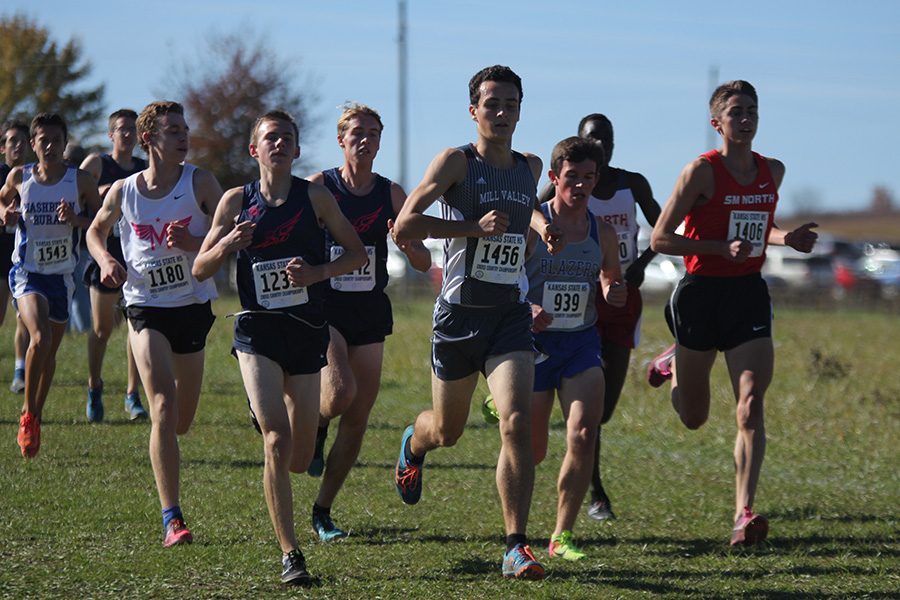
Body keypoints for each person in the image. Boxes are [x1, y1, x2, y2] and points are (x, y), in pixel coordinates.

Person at [392, 64, 563, 580]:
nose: (503, 112)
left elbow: (526, 206)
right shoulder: (455, 163)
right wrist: (472, 226)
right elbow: (405, 225)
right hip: (458, 317)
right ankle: (413, 445)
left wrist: (542, 224)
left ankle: (516, 546)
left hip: (508, 316)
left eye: (511, 104)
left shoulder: (528, 165)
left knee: (516, 422)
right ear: (474, 111)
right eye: (493, 104)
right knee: (448, 430)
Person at [194, 110, 366, 584]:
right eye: (271, 138)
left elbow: (356, 254)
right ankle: (291, 554)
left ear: (296, 149)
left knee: (296, 454)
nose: (279, 144)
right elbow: (200, 269)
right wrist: (228, 240)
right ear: (255, 150)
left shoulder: (315, 198)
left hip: (306, 332)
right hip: (257, 333)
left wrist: (316, 274)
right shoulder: (236, 201)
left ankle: (273, 419)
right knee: (275, 440)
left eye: (287, 138)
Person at [648, 80, 818, 545]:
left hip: (747, 294)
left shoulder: (772, 171)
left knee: (750, 405)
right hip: (700, 295)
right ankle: (673, 366)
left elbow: (764, 228)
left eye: (752, 111)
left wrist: (789, 239)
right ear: (716, 122)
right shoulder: (700, 173)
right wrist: (720, 246)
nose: (746, 119)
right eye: (737, 112)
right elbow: (659, 239)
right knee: (694, 417)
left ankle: (744, 512)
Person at [87, 101, 221, 546]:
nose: (183, 137)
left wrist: (194, 242)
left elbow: (231, 234)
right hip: (144, 306)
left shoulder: (200, 181)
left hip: (191, 306)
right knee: (162, 407)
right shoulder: (123, 191)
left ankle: (171, 493)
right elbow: (95, 230)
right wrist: (106, 257)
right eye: (172, 131)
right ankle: (172, 518)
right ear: (149, 140)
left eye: (185, 129)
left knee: (181, 421)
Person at [304, 103, 430, 541]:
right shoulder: (321, 186)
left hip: (370, 308)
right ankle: (317, 426)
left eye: (373, 132)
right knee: (339, 393)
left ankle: (323, 510)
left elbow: (422, 259)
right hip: (326, 305)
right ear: (341, 140)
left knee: (358, 417)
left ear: (380, 141)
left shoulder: (391, 193)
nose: (365, 139)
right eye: (356, 132)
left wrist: (405, 242)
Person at [539, 114, 662, 521]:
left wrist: (642, 262)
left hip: (620, 293)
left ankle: (586, 469)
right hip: (572, 292)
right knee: (583, 416)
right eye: (593, 139)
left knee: (603, 409)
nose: (602, 146)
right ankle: (596, 492)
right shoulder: (569, 181)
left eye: (607, 139)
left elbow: (664, 225)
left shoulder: (633, 184)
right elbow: (533, 212)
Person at [527, 137, 627, 561]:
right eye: (572, 178)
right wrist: (526, 306)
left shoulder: (601, 232)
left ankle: (561, 535)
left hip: (582, 343)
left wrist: (613, 289)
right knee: (532, 450)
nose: (580, 186)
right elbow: (505, 278)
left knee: (584, 433)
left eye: (589, 178)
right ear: (554, 178)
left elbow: (610, 275)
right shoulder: (533, 225)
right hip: (532, 345)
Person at [0, 113, 101, 458]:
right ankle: (27, 413)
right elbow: (2, 200)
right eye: (43, 140)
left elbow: (102, 221)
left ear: (63, 143)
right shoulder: (20, 176)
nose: (50, 146)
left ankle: (37, 414)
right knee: (39, 337)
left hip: (63, 275)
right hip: (27, 272)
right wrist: (7, 215)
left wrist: (77, 220)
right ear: (34, 144)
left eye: (57, 140)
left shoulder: (80, 181)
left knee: (49, 352)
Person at [80, 109, 147, 422]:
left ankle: (133, 395)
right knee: (102, 329)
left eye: (132, 129)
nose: (128, 135)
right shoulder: (97, 164)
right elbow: (76, 191)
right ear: (110, 134)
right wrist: (102, 193)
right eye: (121, 129)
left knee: (137, 327)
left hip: (136, 257)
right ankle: (95, 385)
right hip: (104, 255)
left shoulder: (145, 169)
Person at [0, 120, 30, 394]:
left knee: (23, 316)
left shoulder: (33, 175)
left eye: (22, 140)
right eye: (12, 141)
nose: (18, 145)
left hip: (25, 256)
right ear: (2, 148)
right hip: (0, 256)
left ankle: (19, 371)